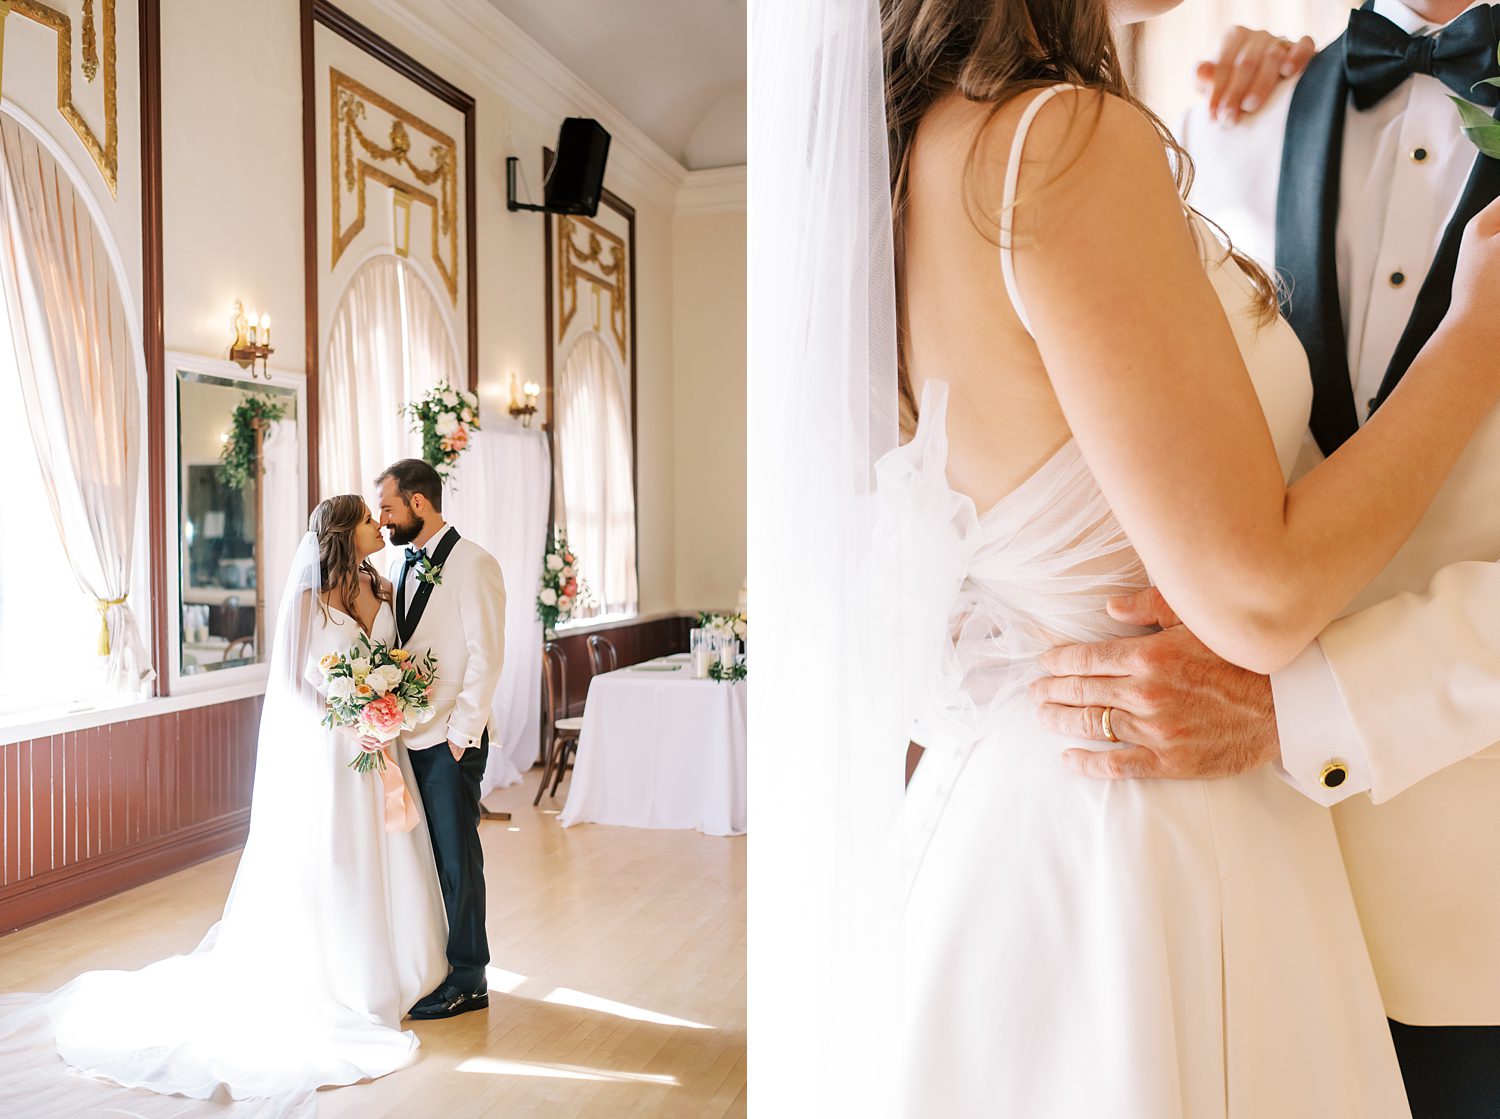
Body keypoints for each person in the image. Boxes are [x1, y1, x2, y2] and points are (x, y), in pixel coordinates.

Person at [875, 0, 1500, 1112]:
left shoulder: (917, 156)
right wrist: (1480, 336)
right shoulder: (1109, 136)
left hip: (1433, 903)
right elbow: (1254, 573)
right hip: (1165, 847)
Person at [0, 495, 447, 1114]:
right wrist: (353, 717)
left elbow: (391, 661)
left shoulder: (380, 587)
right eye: (370, 520)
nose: (380, 526)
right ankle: (344, 976)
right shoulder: (306, 601)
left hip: (376, 742)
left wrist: (386, 712)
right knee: (337, 853)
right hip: (332, 749)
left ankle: (403, 965)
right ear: (346, 533)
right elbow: (293, 682)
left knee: (384, 844)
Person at [374, 458, 506, 1020]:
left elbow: (487, 654)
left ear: (418, 503)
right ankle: (441, 964)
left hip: (451, 739)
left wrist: (461, 733)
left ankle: (471, 976)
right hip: (413, 734)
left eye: (388, 507)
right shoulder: (404, 564)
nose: (382, 520)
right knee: (429, 857)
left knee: (458, 859)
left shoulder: (475, 563)